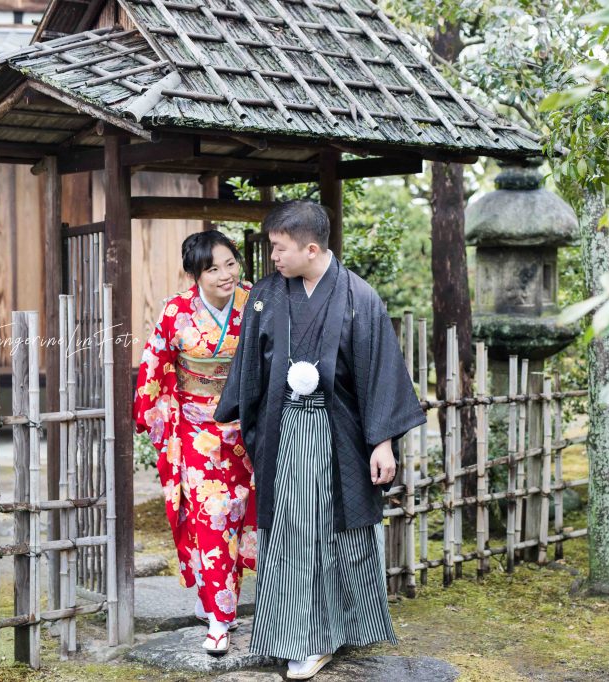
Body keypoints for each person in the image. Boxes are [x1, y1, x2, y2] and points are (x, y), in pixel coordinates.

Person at [214, 200, 426, 680]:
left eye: (279, 248)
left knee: (332, 532)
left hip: (340, 436)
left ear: (311, 249)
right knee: (290, 533)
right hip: (283, 429)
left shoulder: (358, 296)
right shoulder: (267, 295)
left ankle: (321, 638)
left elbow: (379, 372)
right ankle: (294, 634)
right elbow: (250, 367)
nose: (272, 257)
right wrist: (240, 420)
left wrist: (382, 442)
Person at [133, 230, 257, 656]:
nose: (225, 275)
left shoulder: (255, 302)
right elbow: (155, 363)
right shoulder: (177, 310)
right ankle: (219, 619)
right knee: (211, 519)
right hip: (197, 432)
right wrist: (150, 413)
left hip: (248, 428)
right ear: (195, 275)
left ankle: (233, 603)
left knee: (244, 518)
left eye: (230, 263)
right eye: (213, 268)